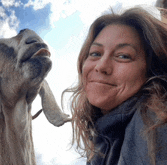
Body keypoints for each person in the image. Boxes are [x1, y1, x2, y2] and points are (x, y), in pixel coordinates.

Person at [65, 7, 167, 165]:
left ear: (152, 69)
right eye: (95, 53)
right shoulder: (104, 141)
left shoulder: (156, 125)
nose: (101, 66)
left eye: (123, 56)